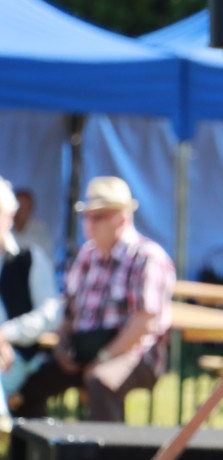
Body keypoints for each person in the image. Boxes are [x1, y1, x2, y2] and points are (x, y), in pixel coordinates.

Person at [17, 176, 175, 422]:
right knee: (28, 381)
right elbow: (68, 312)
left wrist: (103, 357)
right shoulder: (86, 256)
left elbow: (143, 323)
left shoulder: (146, 257)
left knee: (101, 381)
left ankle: (108, 458)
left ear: (122, 218)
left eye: (98, 216)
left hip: (134, 355)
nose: (89, 223)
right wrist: (61, 349)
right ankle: (42, 456)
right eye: (86, 215)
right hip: (85, 352)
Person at [0, 178, 61, 429]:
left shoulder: (30, 258)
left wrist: (5, 334)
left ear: (9, 216)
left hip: (18, 356)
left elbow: (50, 315)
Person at [12, 188, 54, 260]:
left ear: (31, 208)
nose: (20, 211)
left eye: (24, 206)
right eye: (18, 206)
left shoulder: (40, 230)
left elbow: (48, 258)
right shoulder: (4, 227)